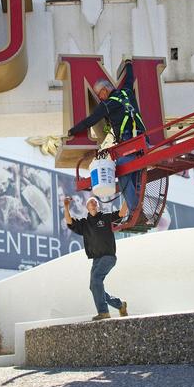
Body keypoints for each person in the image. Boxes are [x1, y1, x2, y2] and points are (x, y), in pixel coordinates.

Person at [66, 58, 146, 221]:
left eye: (99, 94)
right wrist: (129, 65)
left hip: (127, 143)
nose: (99, 97)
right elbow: (130, 78)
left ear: (104, 91)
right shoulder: (127, 92)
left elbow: (91, 120)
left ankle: (137, 213)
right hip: (143, 140)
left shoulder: (107, 104)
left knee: (123, 175)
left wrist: (73, 131)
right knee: (137, 175)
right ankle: (138, 211)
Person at [64, 195, 130, 320]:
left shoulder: (106, 217)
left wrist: (127, 198)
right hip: (96, 260)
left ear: (98, 206)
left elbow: (121, 213)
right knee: (94, 286)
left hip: (108, 257)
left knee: (96, 279)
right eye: (90, 202)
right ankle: (120, 304)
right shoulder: (84, 223)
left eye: (95, 202)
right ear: (87, 207)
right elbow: (69, 222)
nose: (93, 203)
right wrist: (66, 206)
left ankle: (103, 312)